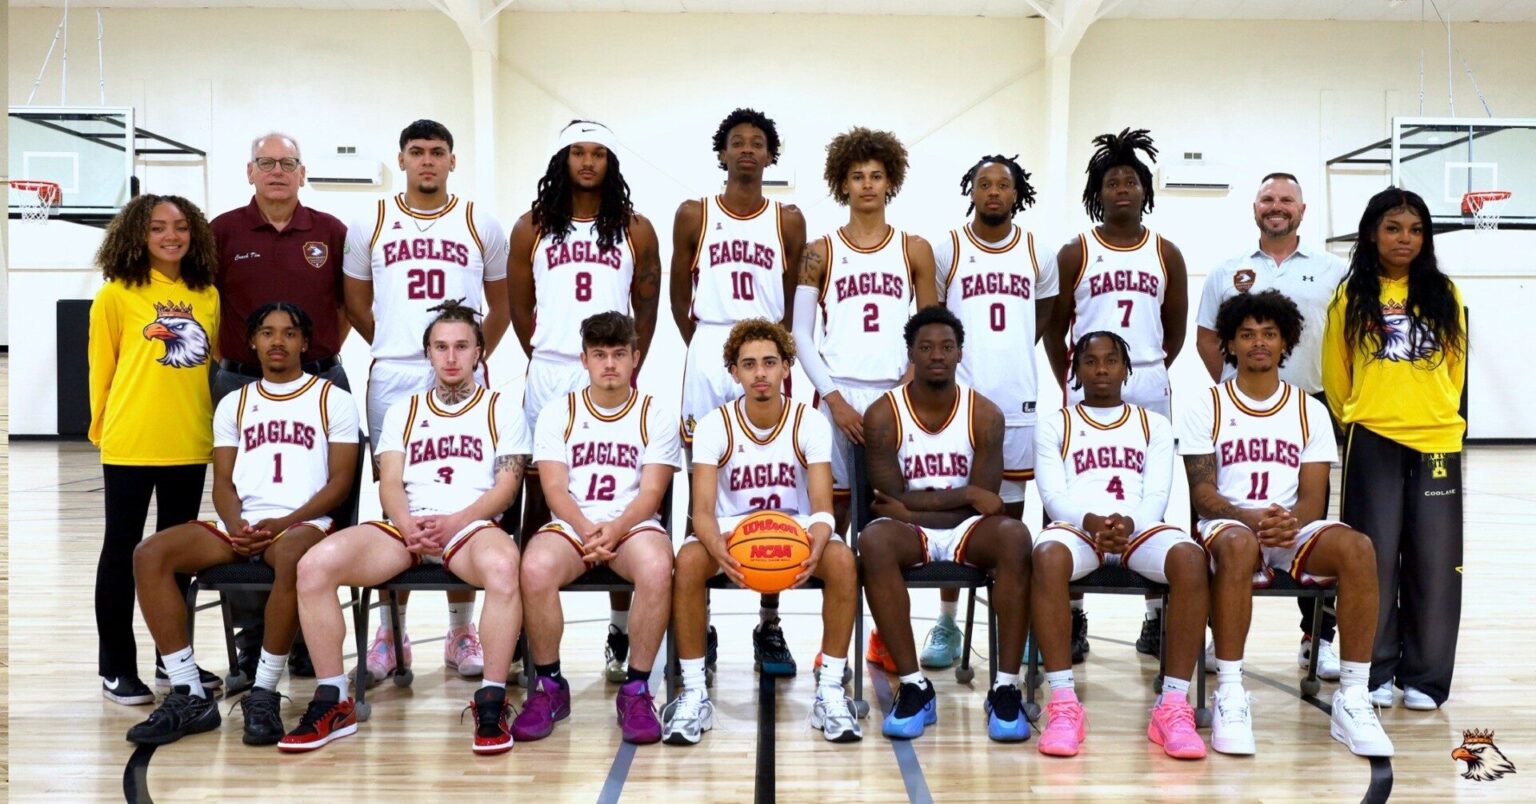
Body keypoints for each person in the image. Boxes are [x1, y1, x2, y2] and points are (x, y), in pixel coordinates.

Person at [284, 302, 530, 754]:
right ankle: (333, 700)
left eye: (461, 346)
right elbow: (390, 481)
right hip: (407, 526)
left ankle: (492, 701)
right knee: (314, 566)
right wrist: (407, 524)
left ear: (479, 352)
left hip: (470, 527)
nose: (451, 357)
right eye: (441, 347)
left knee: (504, 566)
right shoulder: (404, 410)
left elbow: (506, 488)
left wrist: (455, 521)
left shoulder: (501, 409)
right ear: (428, 353)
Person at [127, 303, 358, 746]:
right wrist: (236, 526)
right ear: (252, 341)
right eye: (267, 332)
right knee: (149, 553)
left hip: (303, 523)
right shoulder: (234, 401)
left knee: (292, 556)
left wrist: (284, 522)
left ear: (304, 343)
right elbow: (223, 482)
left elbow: (341, 483)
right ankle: (188, 692)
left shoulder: (333, 399)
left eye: (289, 333)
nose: (277, 341)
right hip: (242, 524)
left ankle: (264, 691)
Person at [1179, 290, 1393, 758]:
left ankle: (1353, 696)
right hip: (1228, 527)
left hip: (1291, 526)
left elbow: (1315, 497)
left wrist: (1288, 522)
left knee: (1358, 548)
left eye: (1269, 334)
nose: (1259, 342)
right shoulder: (1206, 405)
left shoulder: (1309, 409)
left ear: (1286, 342)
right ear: (1229, 344)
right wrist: (1248, 518)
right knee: (1238, 545)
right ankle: (1230, 691)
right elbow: (1202, 494)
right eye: (1247, 334)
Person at [342, 119, 512, 686]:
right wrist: (399, 345)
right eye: (417, 152)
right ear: (402, 160)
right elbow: (356, 300)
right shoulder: (370, 219)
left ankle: (461, 631)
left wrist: (469, 352)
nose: (427, 161)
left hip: (462, 365)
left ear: (452, 161)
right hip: (395, 371)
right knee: (397, 495)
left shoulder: (480, 222)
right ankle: (392, 633)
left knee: (462, 487)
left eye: (438, 152)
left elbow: (501, 304)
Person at [508, 120, 662, 684]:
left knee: (618, 489)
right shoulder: (531, 227)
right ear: (562, 159)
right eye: (578, 152)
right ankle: (526, 631)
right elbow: (520, 306)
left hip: (611, 366)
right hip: (553, 366)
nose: (588, 162)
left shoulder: (635, 228)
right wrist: (546, 354)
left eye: (598, 153)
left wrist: (628, 361)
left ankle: (620, 628)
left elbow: (647, 304)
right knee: (538, 496)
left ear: (611, 162)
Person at [660, 319, 862, 746]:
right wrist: (718, 548)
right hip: (733, 531)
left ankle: (830, 691)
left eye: (770, 362)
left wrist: (818, 544)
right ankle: (694, 692)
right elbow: (701, 513)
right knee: (689, 560)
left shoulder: (810, 422)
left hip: (796, 528)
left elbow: (823, 508)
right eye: (749, 364)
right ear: (734, 371)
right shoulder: (714, 425)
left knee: (843, 561)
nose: (760, 373)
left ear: (787, 367)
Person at [211, 132, 354, 685]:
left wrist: (318, 354)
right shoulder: (223, 231)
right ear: (250, 172)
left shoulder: (330, 231)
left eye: (287, 163)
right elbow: (205, 303)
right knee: (247, 505)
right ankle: (252, 642)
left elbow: (347, 303)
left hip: (320, 374)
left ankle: (310, 633)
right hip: (240, 379)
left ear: (302, 172)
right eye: (266, 163)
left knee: (328, 505)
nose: (277, 171)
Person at [670, 108, 808, 680]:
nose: (747, 149)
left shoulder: (788, 219)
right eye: (737, 142)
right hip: (710, 346)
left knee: (773, 486)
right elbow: (678, 294)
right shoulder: (694, 213)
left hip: (768, 346)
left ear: (771, 156)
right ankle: (696, 620)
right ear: (721, 152)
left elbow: (794, 293)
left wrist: (768, 351)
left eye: (758, 143)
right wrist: (712, 347)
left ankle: (769, 623)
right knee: (700, 483)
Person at [1191, 172, 1348, 672]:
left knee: (1307, 520)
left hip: (1309, 405)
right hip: (1238, 409)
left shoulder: (1334, 270)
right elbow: (1206, 337)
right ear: (1255, 207)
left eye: (1286, 200)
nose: (1276, 206)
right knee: (1221, 526)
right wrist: (1234, 392)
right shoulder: (1227, 270)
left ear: (1302, 210)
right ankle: (1220, 635)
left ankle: (1317, 637)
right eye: (1267, 199)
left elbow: (1347, 338)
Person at [1044, 128, 1189, 664]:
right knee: (1072, 491)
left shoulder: (1166, 252)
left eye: (1131, 181)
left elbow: (1174, 329)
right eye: (1112, 182)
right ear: (1097, 193)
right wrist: (1078, 375)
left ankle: (1155, 616)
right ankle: (1071, 612)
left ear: (1145, 190)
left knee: (1151, 493)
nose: (1122, 188)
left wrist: (1142, 367)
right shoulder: (1075, 252)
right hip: (1088, 379)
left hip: (1146, 377)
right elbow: (1055, 327)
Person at [856, 305, 1032, 742]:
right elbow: (888, 499)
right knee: (873, 541)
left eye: (947, 347)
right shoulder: (883, 415)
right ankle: (915, 686)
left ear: (960, 354)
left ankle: (1006, 687)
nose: (937, 355)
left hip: (961, 527)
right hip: (909, 530)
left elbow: (985, 503)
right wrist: (965, 495)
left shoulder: (985, 415)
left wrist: (919, 508)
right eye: (927, 347)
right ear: (911, 353)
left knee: (1014, 535)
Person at [1322, 187, 1466, 712]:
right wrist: (1362, 415)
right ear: (1371, 234)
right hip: (1374, 438)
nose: (1405, 238)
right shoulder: (1350, 296)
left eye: (1416, 230)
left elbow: (1455, 370)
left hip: (1436, 441)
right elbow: (1336, 374)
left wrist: (1435, 413)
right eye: (1393, 228)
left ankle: (1425, 677)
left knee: (1435, 563)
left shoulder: (1444, 294)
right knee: (1372, 558)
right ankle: (1374, 669)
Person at [1031, 331, 1207, 759]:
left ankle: (1172, 705)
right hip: (1078, 527)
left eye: (1111, 360)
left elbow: (1157, 494)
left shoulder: (1153, 424)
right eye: (1090, 361)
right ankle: (1063, 703)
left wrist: (1129, 523)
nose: (1102, 369)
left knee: (1190, 558)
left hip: (1137, 526)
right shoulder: (1055, 424)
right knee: (1046, 556)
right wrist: (1091, 522)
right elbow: (1052, 497)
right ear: (1075, 371)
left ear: (1126, 369)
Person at [920, 154, 1058, 670]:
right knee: (958, 514)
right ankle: (947, 622)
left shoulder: (1039, 252)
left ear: (1017, 194)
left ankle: (1011, 624)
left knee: (1010, 520)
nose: (994, 191)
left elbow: (1043, 316)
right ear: (972, 191)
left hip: (1017, 398)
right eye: (984, 183)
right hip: (962, 400)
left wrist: (1010, 352)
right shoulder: (948, 249)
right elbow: (934, 321)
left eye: (1003, 184)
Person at [515, 312, 678, 745]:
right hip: (575, 524)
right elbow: (554, 489)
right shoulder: (558, 412)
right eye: (600, 354)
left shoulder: (655, 413)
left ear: (635, 358)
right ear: (584, 359)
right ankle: (549, 686)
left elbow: (652, 493)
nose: (609, 364)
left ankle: (636, 690)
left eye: (619, 354)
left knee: (657, 567)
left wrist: (616, 528)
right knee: (534, 567)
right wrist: (588, 529)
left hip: (633, 524)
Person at [89, 193, 222, 706]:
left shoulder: (206, 294)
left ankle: (174, 659)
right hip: (131, 442)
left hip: (188, 443)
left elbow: (208, 369)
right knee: (121, 553)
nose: (171, 236)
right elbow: (101, 369)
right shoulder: (116, 294)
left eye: (181, 226)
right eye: (158, 227)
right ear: (138, 235)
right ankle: (115, 666)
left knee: (177, 558)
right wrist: (103, 430)